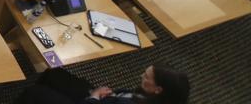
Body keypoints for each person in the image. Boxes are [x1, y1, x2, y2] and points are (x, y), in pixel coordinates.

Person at [17, 63, 189, 104]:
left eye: (146, 77)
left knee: (35, 93)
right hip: (105, 100)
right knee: (54, 73)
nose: (141, 76)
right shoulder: (150, 97)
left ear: (158, 89)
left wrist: (93, 97)